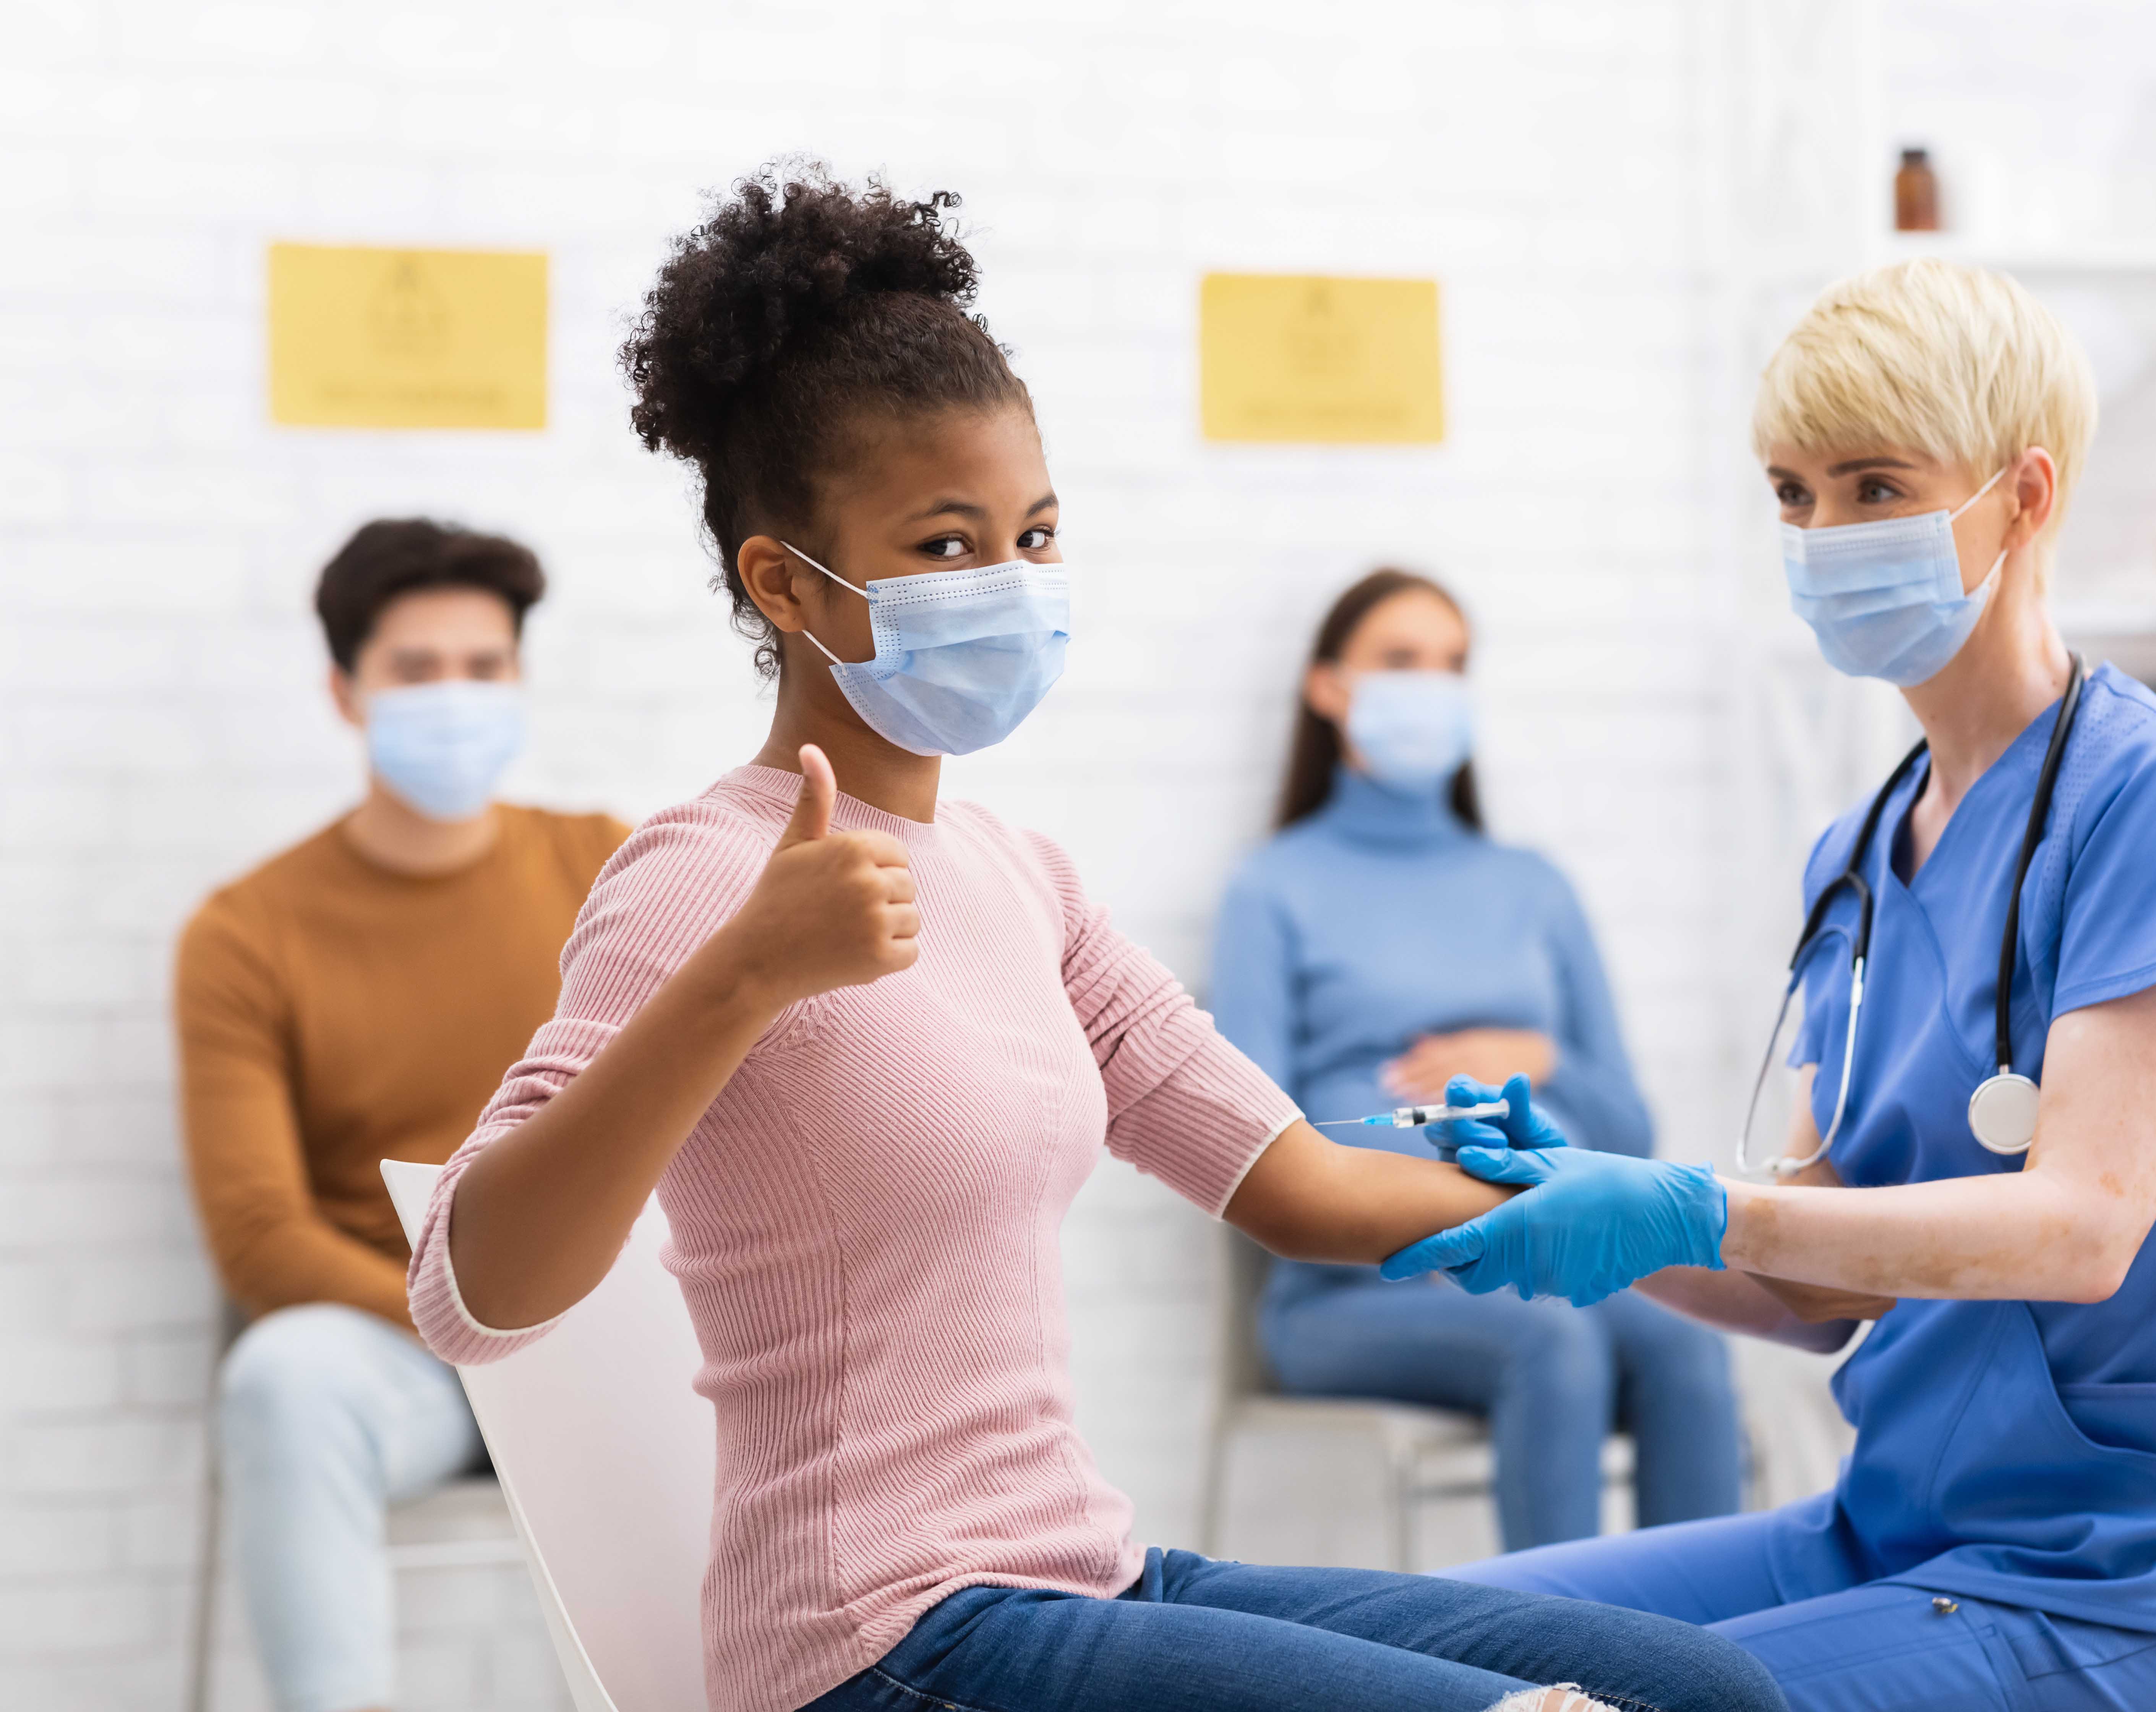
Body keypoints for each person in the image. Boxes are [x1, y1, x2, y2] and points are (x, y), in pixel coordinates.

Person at [404, 164, 1784, 1712]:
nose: (1010, 583)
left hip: (1081, 1575)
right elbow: (473, 1291)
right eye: (943, 546)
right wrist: (743, 977)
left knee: (1695, 1687)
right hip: (883, 1644)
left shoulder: (1023, 878)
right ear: (786, 583)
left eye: (1035, 533)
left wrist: (1637, 1203)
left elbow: (1299, 1183)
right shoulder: (705, 879)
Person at [1388, 260, 2156, 1710]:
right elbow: (1818, 1281)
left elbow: (2082, 1229)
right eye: (1793, 493)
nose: (1825, 534)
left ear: (2025, 499)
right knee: (1390, 1652)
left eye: (1877, 486)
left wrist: (1695, 1203)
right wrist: (1583, 1201)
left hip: (2123, 1584)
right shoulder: (1860, 852)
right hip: (1886, 1534)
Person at [175, 519, 628, 1712]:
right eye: (416, 672)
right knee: (283, 1377)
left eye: (483, 668)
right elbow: (260, 1238)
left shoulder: (606, 867)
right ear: (346, 692)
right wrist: (474, 1323)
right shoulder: (246, 934)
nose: (456, 697)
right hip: (402, 1359)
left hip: (603, 1341)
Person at [1212, 567, 1741, 1549]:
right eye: (1401, 660)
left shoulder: (1533, 886)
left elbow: (1630, 1130)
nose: (1433, 686)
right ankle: (1571, 1678)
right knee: (1552, 1342)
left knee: (1689, 1348)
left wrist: (1540, 1057)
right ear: (1328, 686)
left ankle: (1706, 1666)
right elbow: (1239, 1139)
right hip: (1349, 1295)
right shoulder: (1273, 889)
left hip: (1551, 1262)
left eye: (1453, 664)